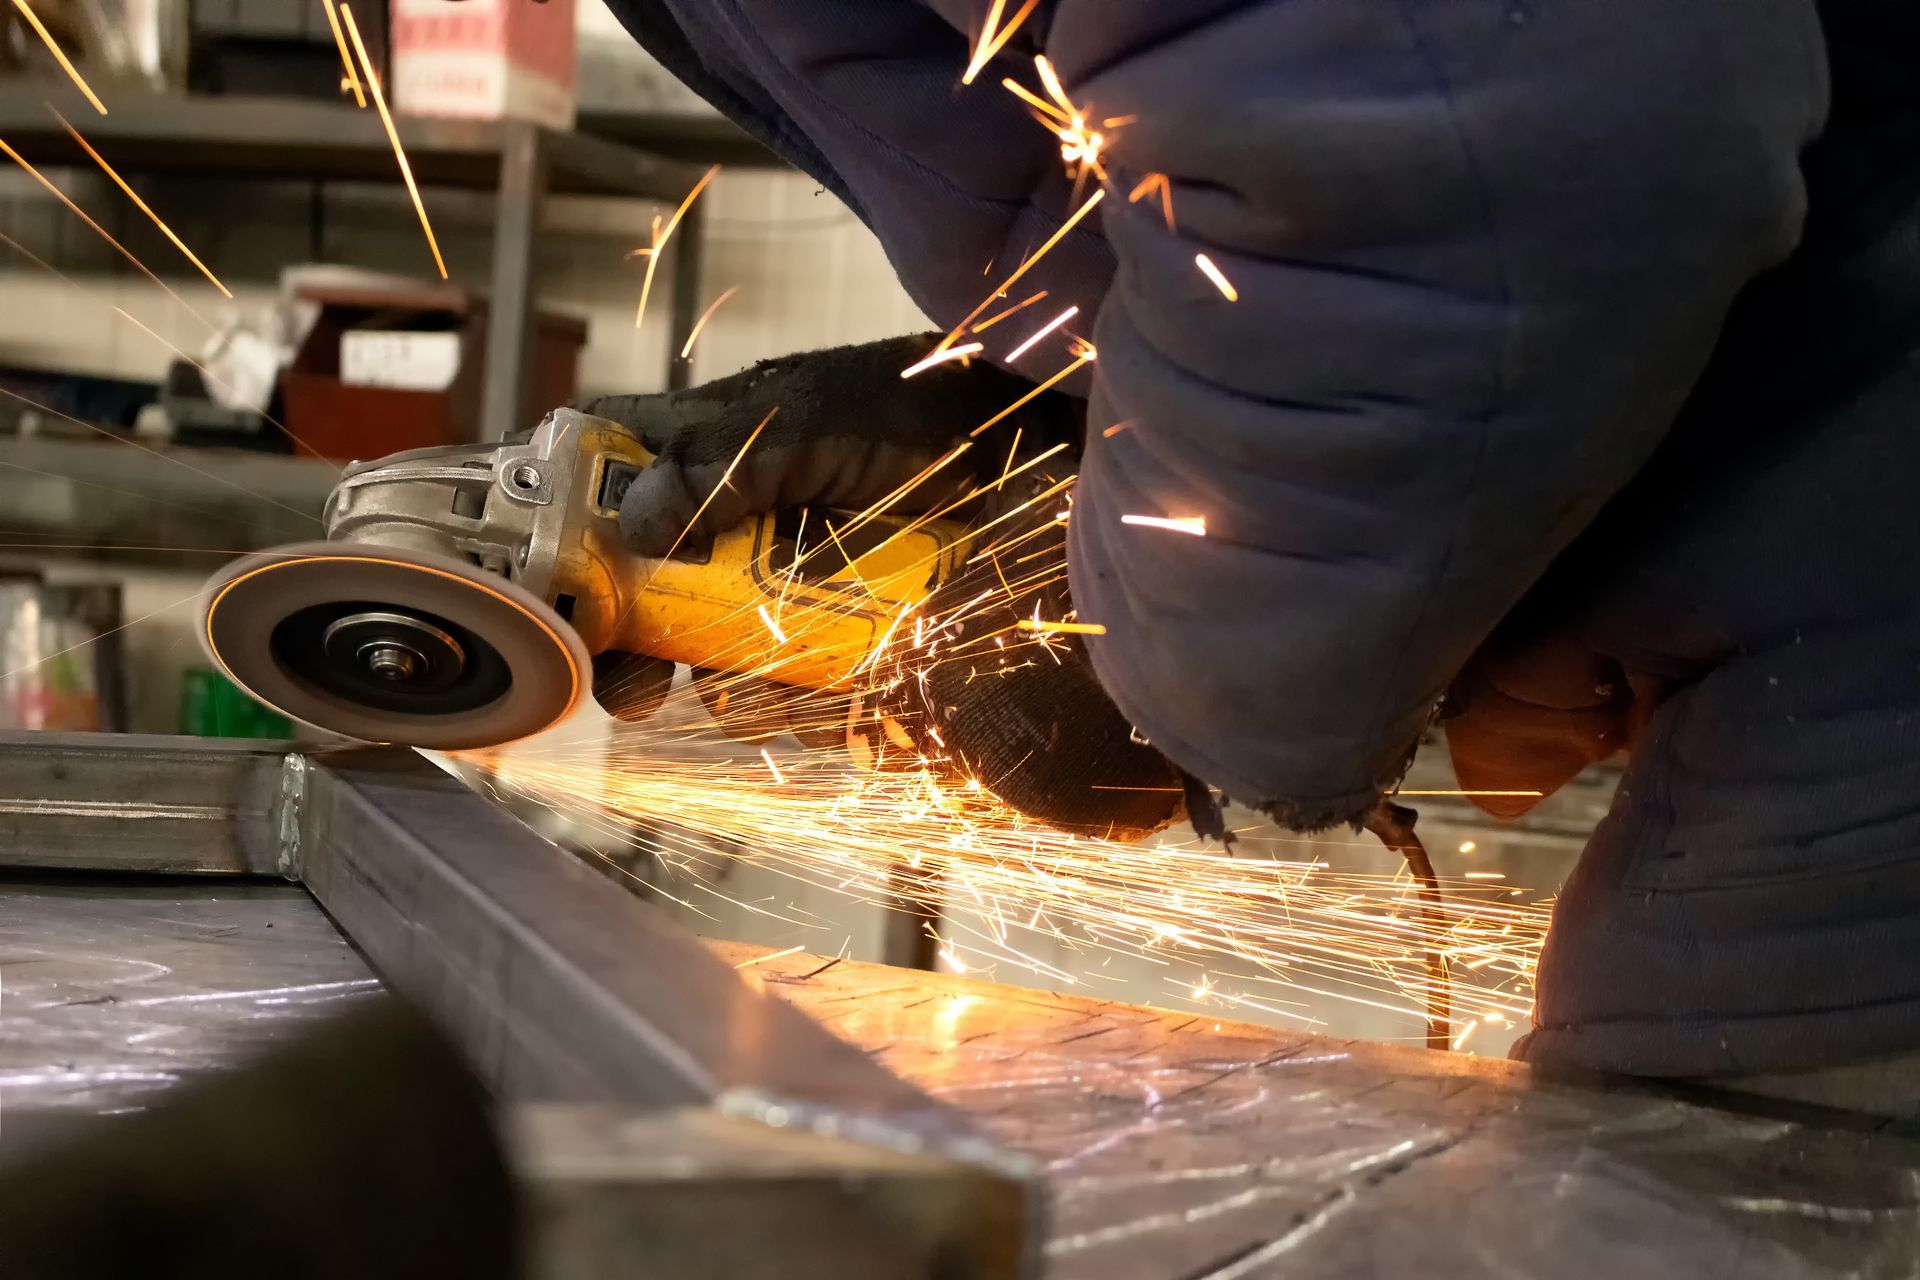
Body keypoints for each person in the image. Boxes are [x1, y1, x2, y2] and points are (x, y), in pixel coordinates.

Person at [582, 2, 1920, 1110]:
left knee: (1713, 1190)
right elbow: (1275, 158)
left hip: (1860, 614)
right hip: (1813, 538)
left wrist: (1154, 660)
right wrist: (1039, 428)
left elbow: (1486, 160)